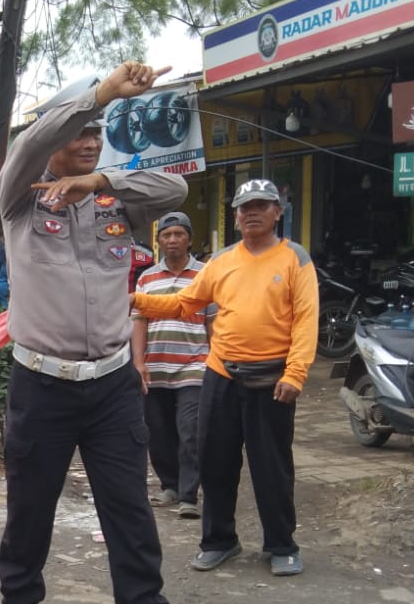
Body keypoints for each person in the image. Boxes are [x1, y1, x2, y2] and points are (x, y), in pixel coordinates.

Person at [0, 61, 202, 604]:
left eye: (97, 128)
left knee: (129, 512)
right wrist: (100, 92)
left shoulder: (114, 202)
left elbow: (175, 192)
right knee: (30, 510)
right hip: (41, 385)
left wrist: (100, 179)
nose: (87, 138)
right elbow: (27, 146)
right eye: (76, 130)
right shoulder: (19, 200)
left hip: (109, 385)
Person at [132, 178, 318, 577]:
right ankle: (219, 541)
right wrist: (136, 300)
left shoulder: (294, 258)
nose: (252, 212)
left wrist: (296, 372)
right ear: (235, 216)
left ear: (277, 212)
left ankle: (281, 544)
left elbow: (305, 321)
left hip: (272, 379)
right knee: (215, 462)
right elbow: (186, 303)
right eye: (244, 207)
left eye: (261, 205)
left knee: (272, 466)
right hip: (220, 375)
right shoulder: (222, 261)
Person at [131, 211, 208, 518]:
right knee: (158, 432)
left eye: (179, 234)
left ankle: (189, 494)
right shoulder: (146, 278)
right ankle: (170, 486)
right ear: (159, 241)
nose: (173, 240)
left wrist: (216, 360)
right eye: (167, 235)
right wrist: (138, 362)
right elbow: (139, 321)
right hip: (156, 368)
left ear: (189, 238)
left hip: (195, 367)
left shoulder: (205, 274)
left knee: (191, 431)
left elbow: (214, 321)